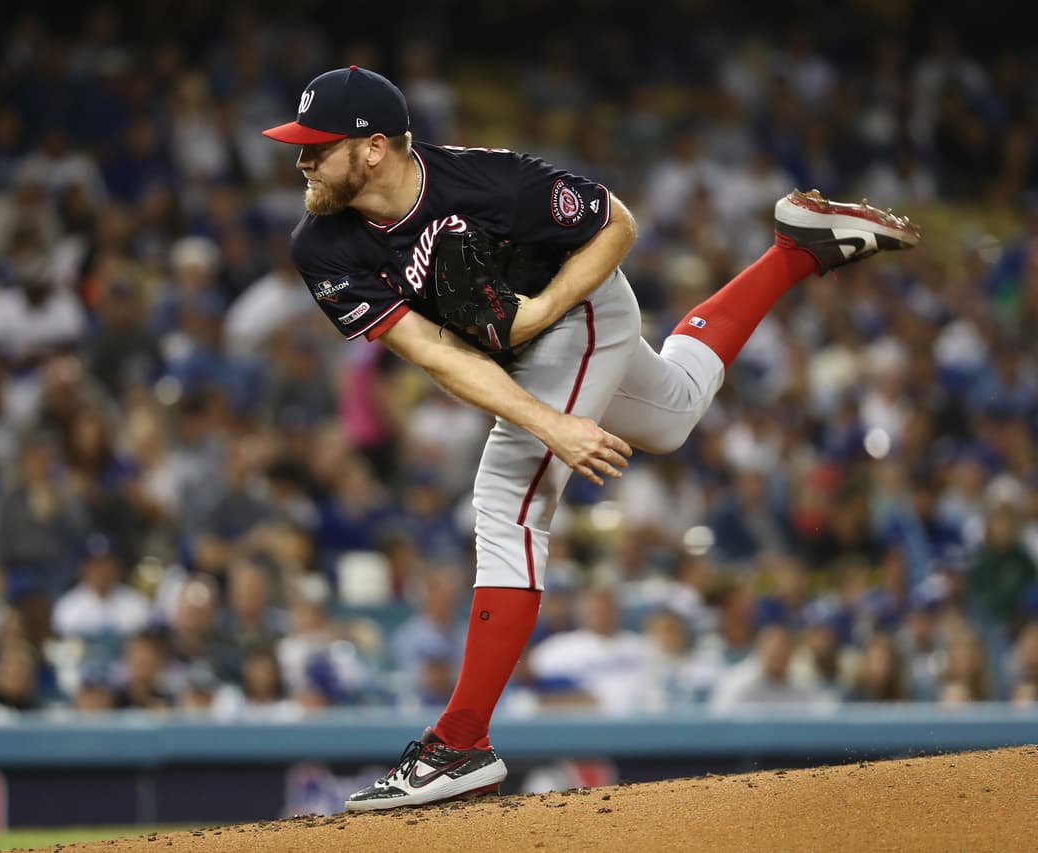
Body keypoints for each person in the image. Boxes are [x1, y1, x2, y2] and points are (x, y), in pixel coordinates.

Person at [262, 65, 919, 811]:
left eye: (317, 146)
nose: (301, 161)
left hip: (582, 308)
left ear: (374, 148)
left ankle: (460, 743)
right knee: (673, 413)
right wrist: (549, 415)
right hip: (521, 349)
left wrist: (541, 318)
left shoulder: (488, 182)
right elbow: (437, 355)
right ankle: (795, 250)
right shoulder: (321, 245)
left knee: (507, 497)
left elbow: (618, 225)